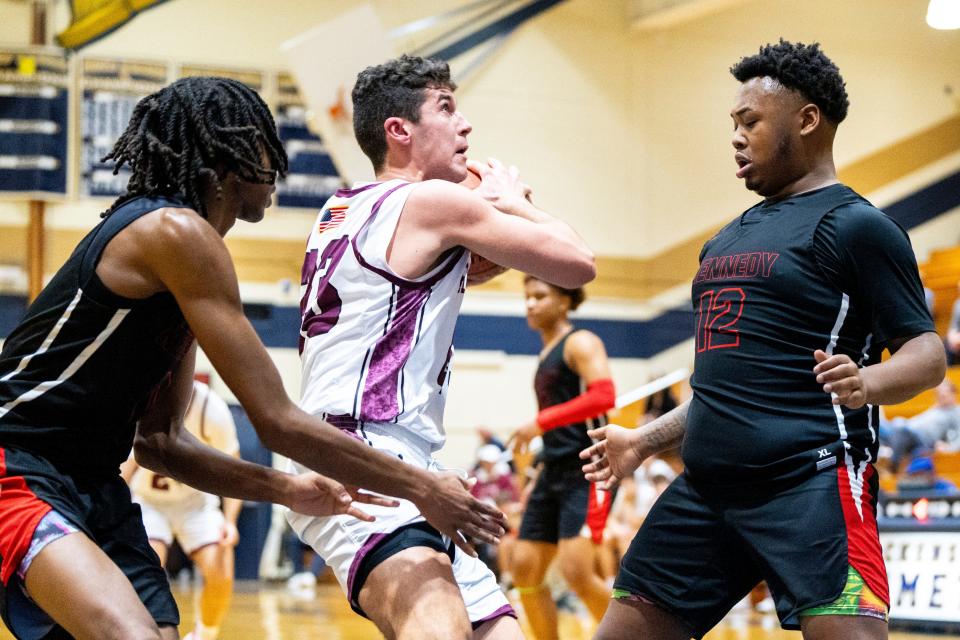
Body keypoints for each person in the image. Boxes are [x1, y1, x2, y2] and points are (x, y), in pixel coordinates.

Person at [0, 76, 507, 640]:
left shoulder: (188, 260)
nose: (278, 164)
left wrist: (288, 490)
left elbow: (160, 443)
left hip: (93, 482)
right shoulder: (174, 233)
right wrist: (422, 486)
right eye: (265, 144)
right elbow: (277, 420)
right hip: (16, 462)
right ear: (229, 153)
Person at [581, 40, 946, 640]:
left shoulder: (856, 227)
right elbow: (724, 389)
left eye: (750, 121)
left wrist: (867, 382)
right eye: (734, 123)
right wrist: (642, 442)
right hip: (706, 492)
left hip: (812, 485)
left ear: (806, 120)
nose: (736, 135)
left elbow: (926, 354)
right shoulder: (722, 242)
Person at [285, 54, 595, 640]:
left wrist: (490, 232)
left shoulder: (340, 210)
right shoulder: (431, 205)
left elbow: (460, 270)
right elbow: (577, 264)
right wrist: (512, 202)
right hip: (361, 453)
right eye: (446, 108)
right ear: (398, 131)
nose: (466, 126)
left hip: (387, 455)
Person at [509, 275, 616, 639]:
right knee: (524, 569)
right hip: (553, 468)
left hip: (587, 468)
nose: (530, 304)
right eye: (527, 297)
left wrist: (539, 422)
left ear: (566, 300)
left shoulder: (581, 341)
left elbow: (604, 396)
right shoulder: (544, 353)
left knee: (576, 572)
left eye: (540, 296)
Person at [121, 380, 241, 640]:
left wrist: (230, 522)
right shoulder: (141, 400)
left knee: (221, 572)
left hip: (196, 503)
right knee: (146, 568)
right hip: (150, 501)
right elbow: (125, 468)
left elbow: (234, 468)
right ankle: (145, 633)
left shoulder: (211, 407)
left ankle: (205, 634)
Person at [881, 379, 960, 469]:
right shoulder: (935, 409)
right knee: (877, 425)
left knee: (901, 431)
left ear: (953, 393)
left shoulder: (956, 412)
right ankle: (884, 452)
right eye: (939, 394)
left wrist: (949, 448)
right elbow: (915, 422)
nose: (941, 396)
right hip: (906, 431)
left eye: (945, 393)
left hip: (921, 440)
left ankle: (893, 465)